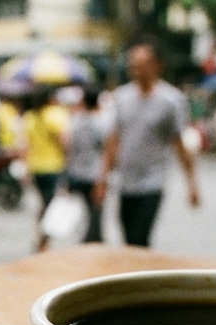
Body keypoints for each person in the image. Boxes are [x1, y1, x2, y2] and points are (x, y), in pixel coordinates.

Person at [94, 42, 201, 248]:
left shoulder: (171, 100)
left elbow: (179, 143)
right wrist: (102, 178)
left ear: (157, 65)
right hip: (125, 182)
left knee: (139, 238)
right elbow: (113, 141)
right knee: (128, 240)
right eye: (133, 64)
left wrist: (191, 184)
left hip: (153, 182)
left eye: (142, 63)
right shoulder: (121, 98)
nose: (136, 68)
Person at [23, 88, 69, 251]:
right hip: (53, 167)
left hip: (36, 167)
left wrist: (26, 167)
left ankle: (41, 237)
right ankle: (44, 239)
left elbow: (26, 146)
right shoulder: (53, 115)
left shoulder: (29, 117)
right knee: (49, 205)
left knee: (43, 203)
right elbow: (63, 141)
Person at [65, 87, 108, 244]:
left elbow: (68, 147)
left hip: (76, 173)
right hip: (95, 174)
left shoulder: (75, 121)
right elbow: (106, 151)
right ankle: (92, 241)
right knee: (95, 213)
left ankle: (87, 240)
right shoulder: (102, 123)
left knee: (80, 211)